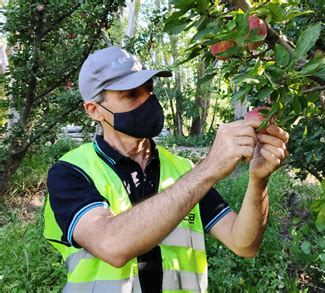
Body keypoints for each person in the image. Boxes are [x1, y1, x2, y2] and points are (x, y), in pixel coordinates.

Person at [43, 46, 289, 292]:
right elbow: (110, 244)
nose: (147, 100)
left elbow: (243, 244)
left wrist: (258, 181)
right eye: (130, 94)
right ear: (94, 110)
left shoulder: (182, 169)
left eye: (149, 89)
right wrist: (209, 168)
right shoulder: (71, 171)